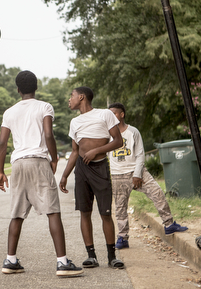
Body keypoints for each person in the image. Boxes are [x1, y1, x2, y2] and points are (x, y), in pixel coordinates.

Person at [0, 70, 83, 277]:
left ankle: (10, 260)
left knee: (17, 213)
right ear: (36, 87)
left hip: (18, 164)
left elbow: (2, 143)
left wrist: (0, 171)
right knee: (52, 211)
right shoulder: (44, 106)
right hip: (38, 161)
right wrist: (53, 158)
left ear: (18, 89)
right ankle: (62, 263)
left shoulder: (9, 112)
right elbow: (48, 134)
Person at [60, 86, 125, 269]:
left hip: (100, 167)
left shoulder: (104, 114)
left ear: (81, 97)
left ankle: (112, 256)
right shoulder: (74, 122)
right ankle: (91, 256)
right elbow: (74, 152)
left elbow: (118, 141)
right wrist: (65, 175)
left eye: (71, 96)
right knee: (85, 212)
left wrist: (96, 150)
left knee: (105, 213)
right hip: (82, 169)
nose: (69, 100)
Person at [107, 102, 188, 249]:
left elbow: (140, 154)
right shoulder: (106, 134)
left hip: (136, 172)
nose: (111, 116)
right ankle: (122, 237)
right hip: (117, 175)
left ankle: (169, 224)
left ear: (121, 114)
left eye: (114, 113)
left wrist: (137, 174)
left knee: (157, 193)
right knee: (120, 207)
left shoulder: (133, 132)